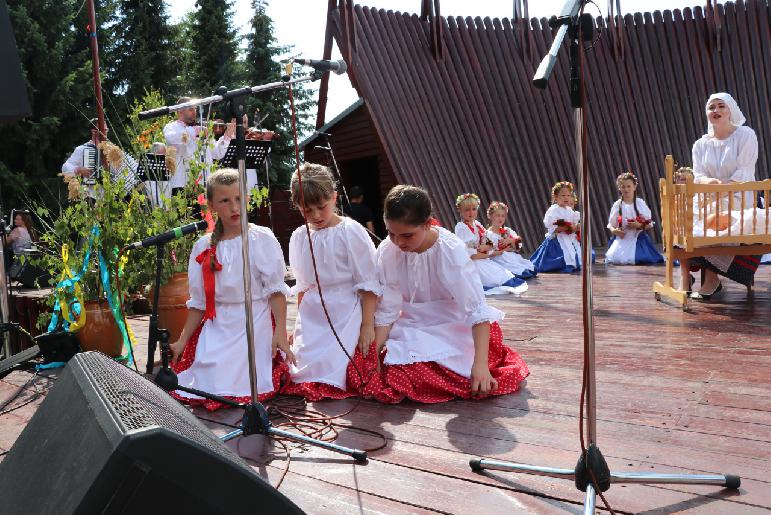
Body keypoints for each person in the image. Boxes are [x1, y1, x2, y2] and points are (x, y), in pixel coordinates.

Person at [363, 185, 529, 403]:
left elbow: (475, 309)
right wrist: (374, 354)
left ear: (427, 223)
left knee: (465, 373)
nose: (399, 242)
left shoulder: (450, 250)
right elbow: (389, 308)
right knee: (393, 369)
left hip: (454, 322)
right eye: (391, 233)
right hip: (412, 323)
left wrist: (479, 364)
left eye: (407, 235)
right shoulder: (388, 250)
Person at [169, 168, 293, 411]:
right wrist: (182, 340)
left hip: (253, 318)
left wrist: (280, 331)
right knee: (208, 377)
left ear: (247, 198)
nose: (234, 207)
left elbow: (276, 291)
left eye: (238, 199)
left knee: (241, 381)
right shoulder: (203, 246)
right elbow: (199, 302)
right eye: (225, 201)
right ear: (212, 206)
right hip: (219, 323)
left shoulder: (260, 238)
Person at [282, 164, 381, 400]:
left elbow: (368, 283)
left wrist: (367, 325)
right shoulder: (299, 236)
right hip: (314, 312)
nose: (316, 216)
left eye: (321, 207)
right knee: (300, 369)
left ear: (334, 197)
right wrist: (297, 325)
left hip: (347, 309)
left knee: (339, 365)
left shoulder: (350, 231)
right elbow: (304, 286)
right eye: (307, 210)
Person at [688, 93, 760, 300]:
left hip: (738, 194)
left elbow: (745, 170)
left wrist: (726, 188)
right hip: (709, 195)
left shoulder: (745, 135)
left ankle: (712, 280)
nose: (716, 111)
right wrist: (708, 183)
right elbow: (698, 174)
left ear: (731, 110)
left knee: (719, 217)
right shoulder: (700, 145)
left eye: (721, 106)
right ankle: (692, 278)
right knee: (687, 219)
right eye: (712, 107)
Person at [453, 193, 527, 295]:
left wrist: (486, 247)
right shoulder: (461, 228)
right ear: (460, 211)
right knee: (497, 279)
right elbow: (472, 254)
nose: (471, 212)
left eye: (474, 209)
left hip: (482, 258)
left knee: (506, 276)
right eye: (467, 209)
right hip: (474, 262)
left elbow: (489, 242)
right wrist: (487, 252)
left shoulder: (477, 224)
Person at [162, 98, 234, 197]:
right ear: (180, 110)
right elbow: (172, 138)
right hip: (183, 184)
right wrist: (194, 131)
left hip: (205, 184)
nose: (194, 112)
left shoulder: (201, 128)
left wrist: (227, 137)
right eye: (191, 110)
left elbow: (217, 153)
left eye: (195, 109)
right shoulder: (171, 127)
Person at [61, 119, 138, 200]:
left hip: (112, 198)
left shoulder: (112, 150)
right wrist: (79, 170)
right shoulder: (82, 149)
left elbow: (120, 172)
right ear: (94, 131)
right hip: (92, 197)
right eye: (103, 130)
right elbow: (65, 168)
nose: (106, 132)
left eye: (106, 130)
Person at [605, 172, 664, 265]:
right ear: (619, 188)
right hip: (622, 238)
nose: (626, 189)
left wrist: (639, 225)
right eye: (623, 187)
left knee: (641, 258)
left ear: (634, 187)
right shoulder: (617, 205)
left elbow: (649, 224)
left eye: (629, 186)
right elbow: (611, 225)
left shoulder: (640, 203)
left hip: (638, 238)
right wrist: (615, 231)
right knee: (616, 258)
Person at [530, 181, 583, 273]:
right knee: (564, 252)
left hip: (569, 237)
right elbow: (552, 226)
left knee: (575, 251)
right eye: (563, 195)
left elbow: (573, 223)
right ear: (556, 197)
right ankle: (561, 264)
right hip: (558, 237)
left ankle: (573, 263)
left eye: (568, 195)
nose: (566, 198)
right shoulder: (554, 210)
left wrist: (576, 226)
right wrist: (568, 227)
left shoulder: (569, 210)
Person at [485, 201, 536, 279]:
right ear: (490, 216)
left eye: (503, 216)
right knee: (521, 273)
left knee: (532, 269)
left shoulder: (507, 230)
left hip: (510, 257)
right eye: (497, 215)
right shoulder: (488, 234)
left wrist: (511, 241)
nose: (500, 218)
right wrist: (502, 250)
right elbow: (488, 253)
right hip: (499, 259)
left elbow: (518, 248)